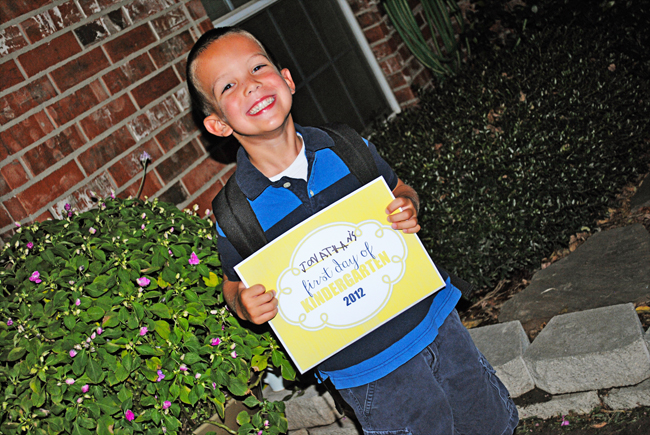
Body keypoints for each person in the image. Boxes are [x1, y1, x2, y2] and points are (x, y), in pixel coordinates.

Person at [186, 26, 519, 435]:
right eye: (229, 86)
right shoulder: (236, 212)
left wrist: (407, 207)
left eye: (258, 67)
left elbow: (400, 189)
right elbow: (232, 284)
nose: (251, 85)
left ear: (287, 79)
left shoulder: (345, 146)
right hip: (367, 371)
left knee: (488, 423)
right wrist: (243, 303)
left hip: (435, 322)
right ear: (218, 124)